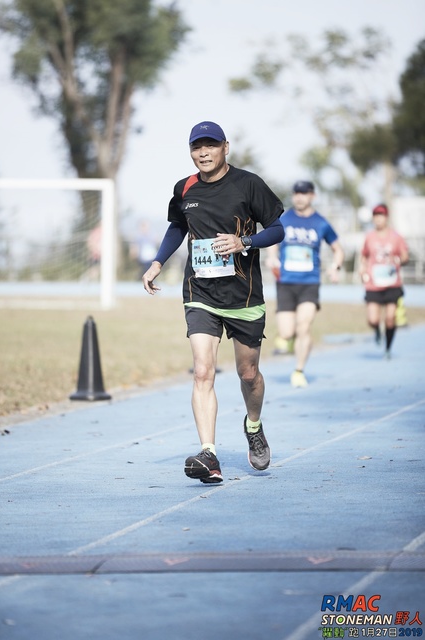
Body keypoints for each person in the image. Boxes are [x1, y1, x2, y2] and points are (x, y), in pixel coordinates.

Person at [142, 121, 285, 484]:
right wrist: (158, 262)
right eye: (196, 147)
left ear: (225, 147)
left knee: (248, 374)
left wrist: (245, 243)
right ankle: (209, 453)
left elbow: (277, 228)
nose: (203, 153)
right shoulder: (184, 188)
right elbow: (178, 226)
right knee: (203, 370)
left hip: (244, 295)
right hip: (200, 294)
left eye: (210, 146)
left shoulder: (248, 183)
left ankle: (253, 426)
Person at [266, 180, 344, 388]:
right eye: (296, 193)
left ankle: (299, 370)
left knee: (304, 326)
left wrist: (335, 267)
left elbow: (338, 250)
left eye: (304, 193)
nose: (299, 197)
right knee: (286, 331)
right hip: (285, 283)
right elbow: (273, 241)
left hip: (310, 283)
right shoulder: (283, 219)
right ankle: (287, 338)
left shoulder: (321, 223)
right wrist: (272, 257)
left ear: (312, 196)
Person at [359, 203, 409, 358]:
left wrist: (399, 260)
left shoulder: (396, 237)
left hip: (392, 283)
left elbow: (405, 256)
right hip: (374, 284)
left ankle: (388, 347)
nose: (378, 219)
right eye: (375, 216)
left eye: (381, 216)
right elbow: (364, 256)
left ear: (386, 217)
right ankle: (376, 331)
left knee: (389, 319)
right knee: (373, 319)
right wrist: (362, 269)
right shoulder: (369, 237)